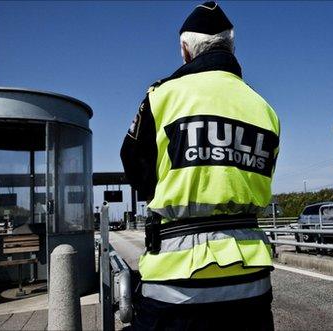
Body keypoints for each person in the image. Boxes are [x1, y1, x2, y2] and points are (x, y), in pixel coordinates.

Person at [121, 2, 280, 330]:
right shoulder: (265, 109)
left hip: (176, 284)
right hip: (252, 282)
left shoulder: (161, 96)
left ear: (185, 50)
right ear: (231, 46)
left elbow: (135, 167)